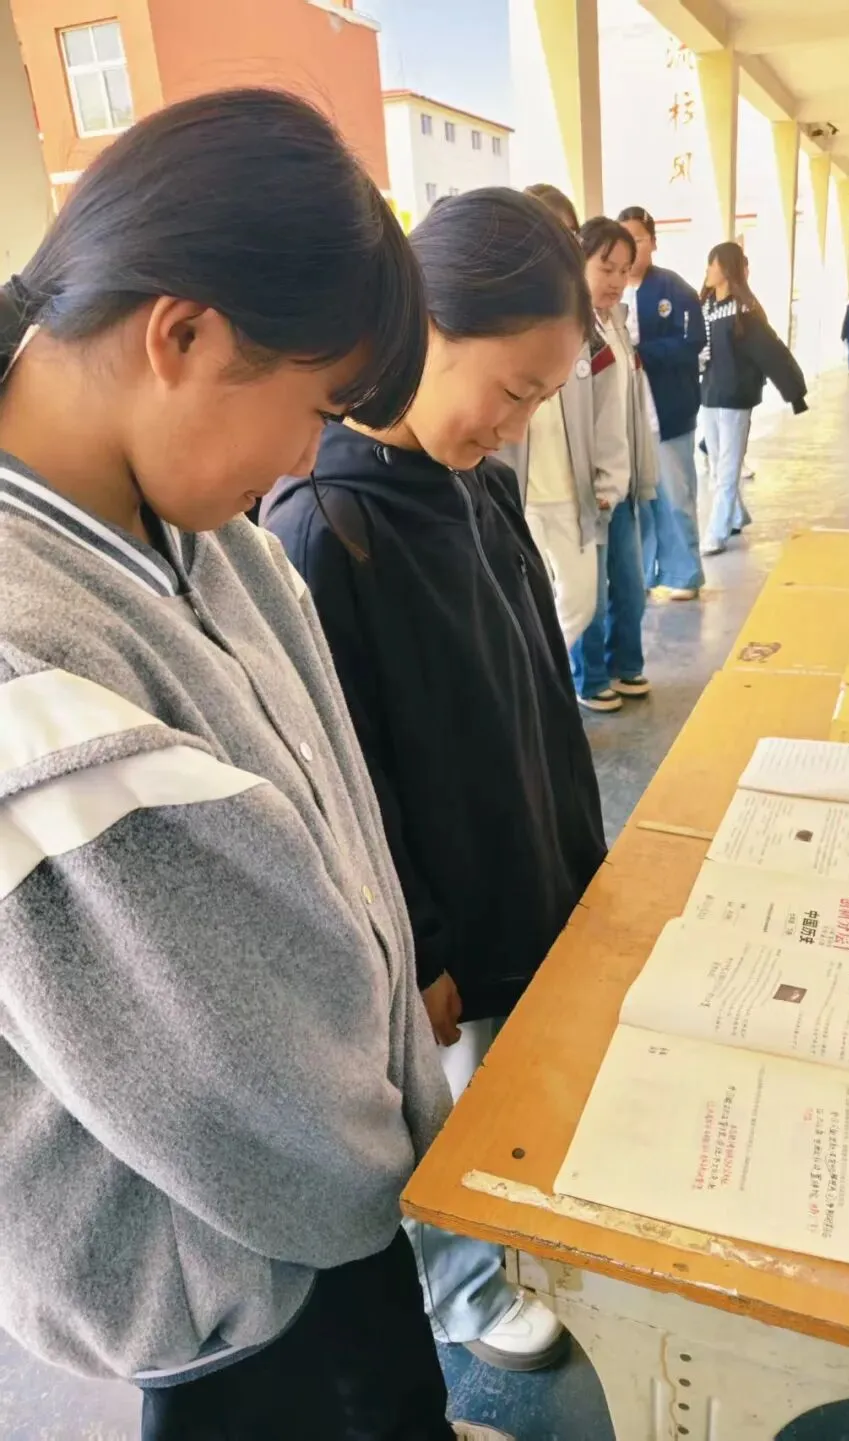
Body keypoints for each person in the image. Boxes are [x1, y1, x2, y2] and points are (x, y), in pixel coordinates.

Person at [0, 89, 510, 1441]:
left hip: (332, 1203)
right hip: (229, 1275)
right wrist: (383, 1166)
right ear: (182, 334)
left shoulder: (189, 517)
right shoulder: (21, 651)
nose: (308, 453)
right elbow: (217, 1084)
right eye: (316, 405)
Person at [262, 188, 607, 1372]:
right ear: (428, 326)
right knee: (447, 1107)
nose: (514, 426)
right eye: (511, 390)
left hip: (527, 848)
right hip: (439, 912)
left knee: (529, 1079)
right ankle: (465, 1286)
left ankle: (521, 1239)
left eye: (540, 401)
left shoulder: (478, 483)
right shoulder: (325, 526)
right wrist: (420, 947)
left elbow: (536, 686)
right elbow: (345, 778)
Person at [506, 184, 630, 650]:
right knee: (524, 605)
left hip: (570, 497)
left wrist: (609, 483)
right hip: (515, 500)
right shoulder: (499, 318)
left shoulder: (585, 329)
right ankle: (536, 684)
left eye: (564, 236)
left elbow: (608, 415)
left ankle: (541, 677)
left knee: (579, 602)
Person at [571, 217, 657, 713]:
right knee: (590, 590)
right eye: (606, 268)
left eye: (624, 270)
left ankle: (625, 663)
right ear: (579, 263)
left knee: (629, 583)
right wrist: (596, 483)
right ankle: (590, 676)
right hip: (590, 486)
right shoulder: (572, 330)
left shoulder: (616, 324)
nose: (616, 280)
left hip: (621, 481)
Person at [617, 206, 706, 601]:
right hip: (623, 416)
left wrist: (640, 353)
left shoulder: (675, 289)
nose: (632, 248)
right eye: (624, 240)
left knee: (676, 494)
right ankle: (643, 574)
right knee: (637, 500)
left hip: (667, 411)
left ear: (653, 242)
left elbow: (692, 342)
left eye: (638, 239)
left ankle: (684, 574)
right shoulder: (609, 289)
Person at [698, 242, 807, 556]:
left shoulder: (745, 313)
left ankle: (716, 532)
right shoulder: (706, 308)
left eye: (712, 264)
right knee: (717, 464)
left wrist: (794, 393)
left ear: (725, 268)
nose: (708, 270)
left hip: (735, 399)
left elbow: (773, 354)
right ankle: (736, 515)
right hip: (710, 395)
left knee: (728, 468)